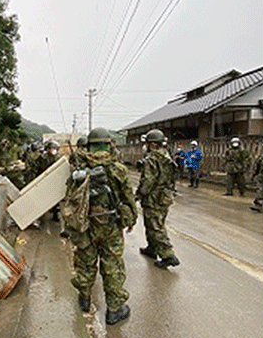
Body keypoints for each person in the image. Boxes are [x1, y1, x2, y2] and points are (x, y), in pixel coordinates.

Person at [63, 127, 137, 324]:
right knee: (112, 265)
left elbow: (70, 197)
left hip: (85, 225)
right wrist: (131, 220)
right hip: (110, 226)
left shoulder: (79, 169)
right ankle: (114, 310)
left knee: (85, 262)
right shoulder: (118, 169)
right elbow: (128, 198)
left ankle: (85, 299)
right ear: (109, 143)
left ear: (89, 145)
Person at [135, 129, 180, 268]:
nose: (146, 146)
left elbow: (148, 181)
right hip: (164, 196)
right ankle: (152, 248)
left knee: (156, 226)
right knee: (153, 223)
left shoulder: (152, 159)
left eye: (148, 143)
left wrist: (138, 195)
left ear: (153, 144)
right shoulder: (167, 156)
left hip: (154, 197)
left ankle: (168, 255)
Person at [250, 146, 263, 212]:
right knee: (260, 190)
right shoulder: (261, 158)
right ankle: (259, 204)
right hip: (262, 177)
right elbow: (257, 167)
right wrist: (253, 175)